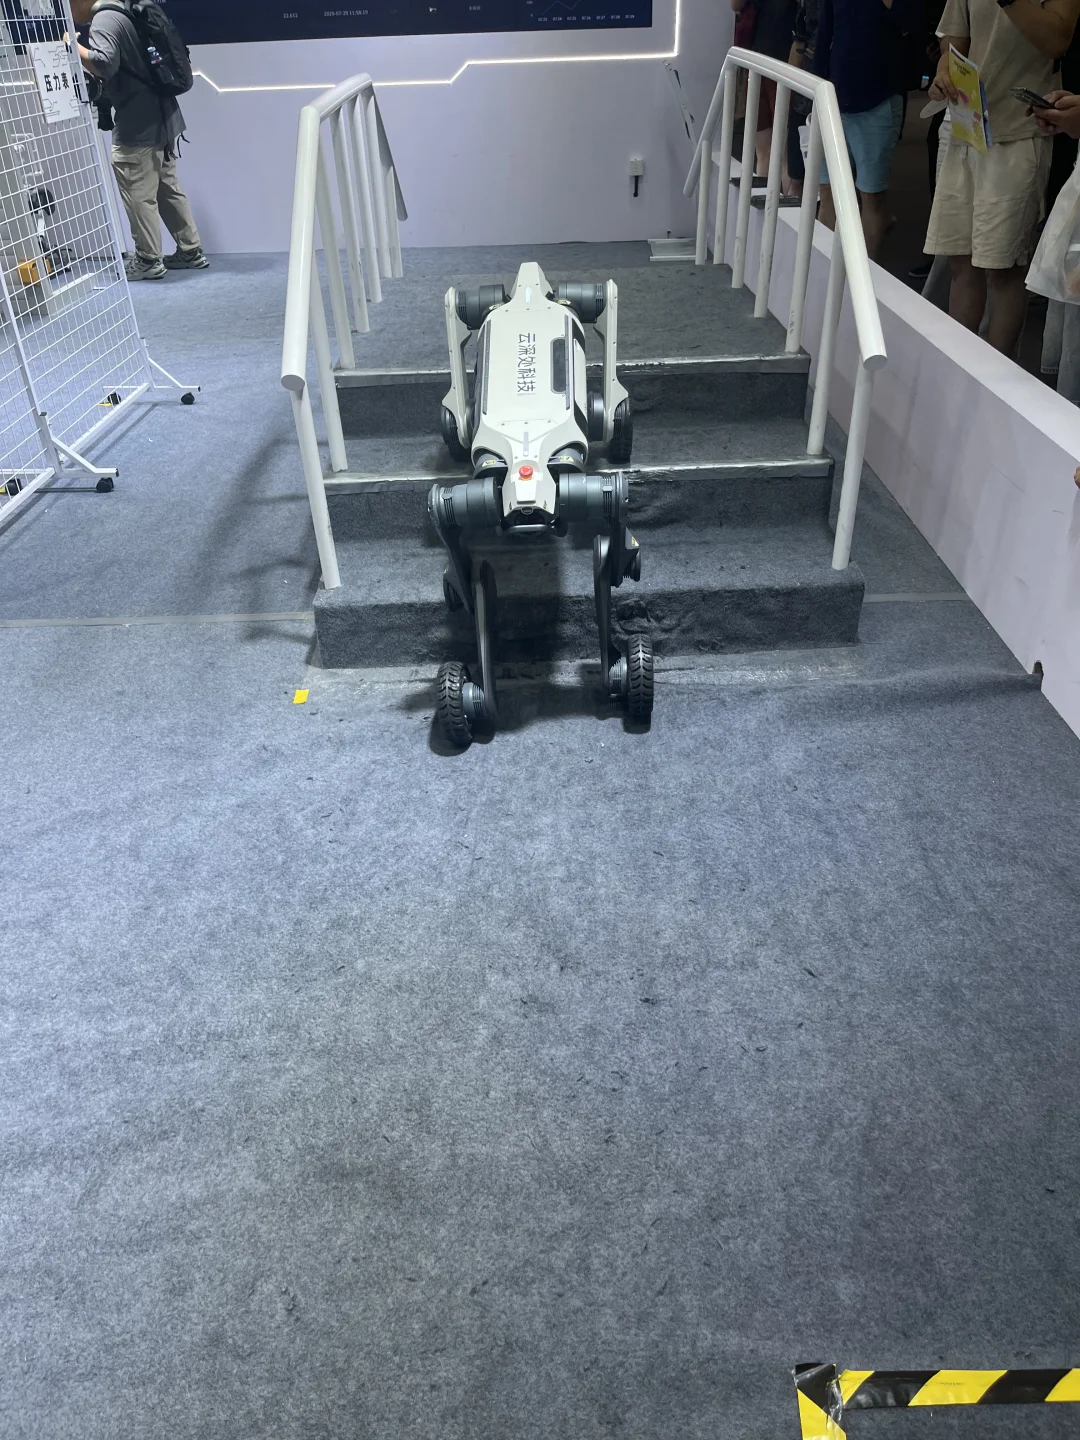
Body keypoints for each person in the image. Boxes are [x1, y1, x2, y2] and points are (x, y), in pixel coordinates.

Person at [925, 0, 1080, 354]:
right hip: (966, 125)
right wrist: (944, 71)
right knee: (960, 260)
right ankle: (959, 365)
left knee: (1003, 269)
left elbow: (1056, 41)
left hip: (1019, 134)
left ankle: (996, 375)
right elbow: (953, 41)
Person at [69, 0, 208, 280]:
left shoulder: (105, 20)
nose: (68, 11)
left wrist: (72, 46)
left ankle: (147, 260)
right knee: (167, 187)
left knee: (138, 192)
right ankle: (190, 250)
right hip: (162, 117)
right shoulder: (125, 11)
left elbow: (104, 63)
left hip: (138, 123)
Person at [811, 0, 924, 260]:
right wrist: (816, 87)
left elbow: (914, 25)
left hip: (878, 95)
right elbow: (825, 30)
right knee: (827, 190)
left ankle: (861, 277)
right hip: (835, 95)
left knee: (871, 195)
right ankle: (824, 271)